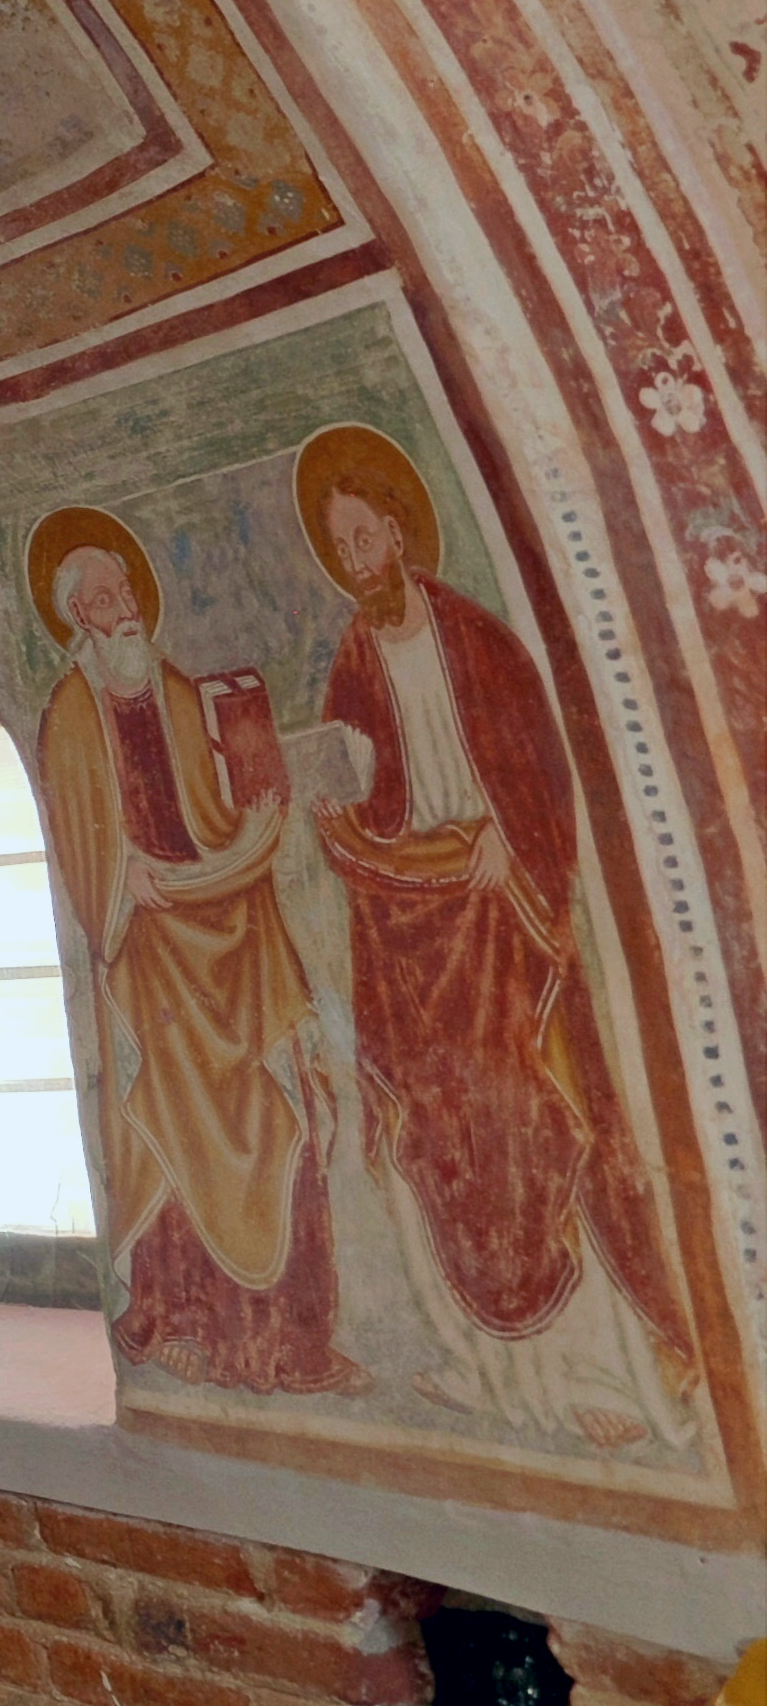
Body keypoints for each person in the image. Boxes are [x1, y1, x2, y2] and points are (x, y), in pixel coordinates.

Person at [299, 430, 700, 1449]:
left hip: (498, 916)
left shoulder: (475, 638)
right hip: (411, 929)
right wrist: (336, 816)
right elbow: (358, 791)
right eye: (337, 543)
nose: (354, 555)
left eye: (363, 531)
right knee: (432, 1136)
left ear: (398, 527)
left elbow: (538, 777)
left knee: (533, 1116)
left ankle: (594, 1366)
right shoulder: (353, 653)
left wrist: (511, 845)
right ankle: (485, 1367)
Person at [25, 509, 354, 1396]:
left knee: (279, 1108)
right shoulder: (68, 715)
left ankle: (295, 1338)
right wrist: (126, 880)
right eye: (97, 598)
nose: (118, 605)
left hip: (227, 932)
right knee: (171, 1134)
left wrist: (251, 822)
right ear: (73, 619)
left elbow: (222, 805)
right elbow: (90, 850)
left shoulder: (174, 688)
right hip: (151, 957)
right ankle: (185, 1323)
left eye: (123, 587)